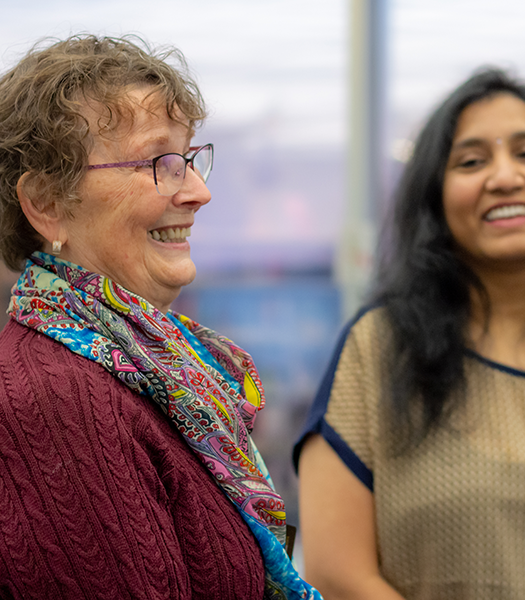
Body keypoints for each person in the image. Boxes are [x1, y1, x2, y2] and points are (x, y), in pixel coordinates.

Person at [0, 35, 321, 600]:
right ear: (47, 203)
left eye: (192, 161)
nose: (199, 192)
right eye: (161, 164)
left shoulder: (159, 371)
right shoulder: (55, 401)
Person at [295, 68, 525, 599]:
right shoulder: (378, 349)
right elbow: (334, 572)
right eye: (471, 161)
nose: (504, 177)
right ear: (436, 201)